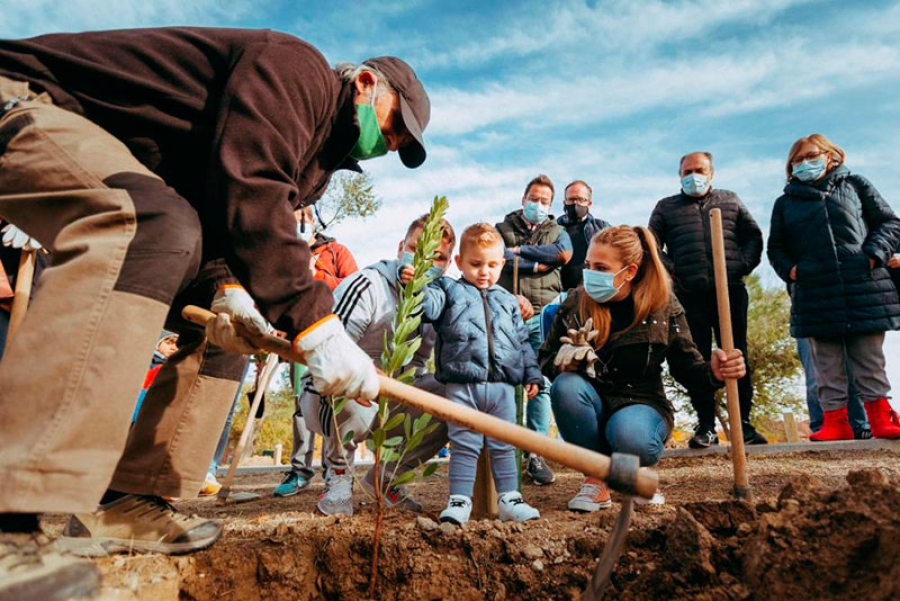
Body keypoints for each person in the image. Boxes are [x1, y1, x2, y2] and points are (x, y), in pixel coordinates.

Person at [0, 27, 430, 597]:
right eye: (394, 125)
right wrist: (316, 320)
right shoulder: (297, 71)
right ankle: (11, 513)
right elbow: (250, 182)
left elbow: (223, 219)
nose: (391, 144)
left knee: (232, 327)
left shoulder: (316, 165)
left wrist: (231, 288)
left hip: (132, 168)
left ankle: (128, 498)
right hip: (30, 99)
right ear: (367, 84)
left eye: (400, 145)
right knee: (141, 223)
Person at [540, 225, 746, 512]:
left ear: (630, 271)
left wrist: (714, 372)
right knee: (565, 387)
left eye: (601, 267)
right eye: (588, 265)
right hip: (590, 401)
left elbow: (687, 368)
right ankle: (596, 480)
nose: (590, 275)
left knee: (630, 437)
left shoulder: (663, 306)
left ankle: (634, 474)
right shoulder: (576, 302)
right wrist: (562, 363)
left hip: (641, 403)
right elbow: (545, 359)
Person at [297, 215, 455, 515]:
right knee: (353, 376)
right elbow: (331, 352)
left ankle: (387, 478)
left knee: (453, 393)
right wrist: (367, 371)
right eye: (416, 248)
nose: (424, 261)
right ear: (400, 248)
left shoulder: (435, 304)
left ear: (447, 265)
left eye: (438, 257)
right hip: (331, 391)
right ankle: (339, 475)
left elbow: (417, 367)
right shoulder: (367, 285)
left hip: (388, 396)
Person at [767, 133, 900, 441]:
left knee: (868, 358)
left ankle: (881, 417)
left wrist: (872, 255)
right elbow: (776, 248)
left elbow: (890, 223)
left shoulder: (856, 185)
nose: (804, 163)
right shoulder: (785, 203)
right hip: (814, 291)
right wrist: (792, 271)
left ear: (831, 156)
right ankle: (834, 422)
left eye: (811, 156)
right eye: (797, 160)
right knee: (826, 363)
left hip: (862, 286)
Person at [421, 223, 543, 525]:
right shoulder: (447, 289)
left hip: (502, 386)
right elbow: (427, 309)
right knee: (464, 443)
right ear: (460, 262)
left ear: (501, 264)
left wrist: (532, 373)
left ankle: (510, 499)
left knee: (505, 443)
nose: (484, 271)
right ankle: (459, 500)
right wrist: (419, 285)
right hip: (462, 384)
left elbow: (521, 341)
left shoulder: (507, 300)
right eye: (475, 264)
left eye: (491, 265)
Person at [648, 151, 766, 448]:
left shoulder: (730, 200)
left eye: (699, 170)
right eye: (687, 171)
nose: (693, 175)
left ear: (711, 173)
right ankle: (706, 425)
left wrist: (740, 265)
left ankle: (744, 425)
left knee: (737, 355)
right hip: (689, 295)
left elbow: (753, 236)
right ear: (680, 175)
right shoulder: (667, 207)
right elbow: (651, 243)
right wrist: (671, 273)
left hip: (730, 292)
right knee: (696, 358)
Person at [273, 205, 358, 497]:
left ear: (310, 221)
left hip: (332, 338)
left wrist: (317, 276)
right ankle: (299, 470)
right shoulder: (283, 256)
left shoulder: (337, 252)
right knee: (302, 403)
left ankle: (332, 472)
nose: (295, 227)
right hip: (298, 340)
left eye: (299, 221)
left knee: (332, 401)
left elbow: (353, 287)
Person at [496, 174, 573, 486]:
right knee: (508, 380)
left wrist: (520, 255)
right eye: (534, 198)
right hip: (506, 313)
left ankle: (535, 451)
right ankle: (508, 449)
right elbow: (498, 257)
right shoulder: (501, 229)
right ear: (523, 199)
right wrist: (539, 263)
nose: (538, 204)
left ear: (551, 205)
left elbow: (563, 256)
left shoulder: (559, 231)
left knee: (540, 382)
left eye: (544, 201)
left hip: (543, 315)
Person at [795, 337, 870, 439]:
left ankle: (858, 426)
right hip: (809, 325)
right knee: (815, 379)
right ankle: (820, 426)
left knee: (850, 375)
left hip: (844, 323)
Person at [557, 180, 612, 291]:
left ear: (589, 203)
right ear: (565, 202)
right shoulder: (553, 228)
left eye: (581, 199)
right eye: (571, 199)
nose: (575, 203)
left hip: (592, 292)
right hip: (559, 295)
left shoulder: (602, 228)